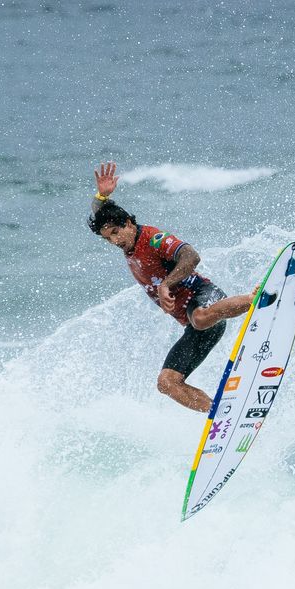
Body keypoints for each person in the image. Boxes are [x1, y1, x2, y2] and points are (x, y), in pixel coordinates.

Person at [86, 161, 254, 412]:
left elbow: (191, 256)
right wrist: (101, 197)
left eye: (116, 232)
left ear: (129, 224)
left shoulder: (153, 239)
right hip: (196, 326)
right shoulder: (128, 244)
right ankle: (219, 415)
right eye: (108, 238)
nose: (114, 240)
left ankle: (259, 297)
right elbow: (103, 215)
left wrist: (166, 284)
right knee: (166, 383)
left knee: (199, 317)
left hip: (205, 298)